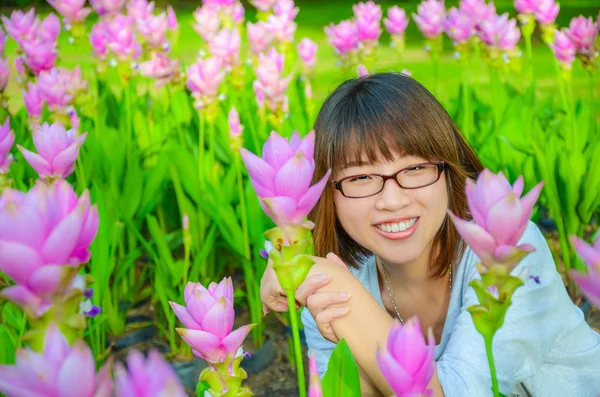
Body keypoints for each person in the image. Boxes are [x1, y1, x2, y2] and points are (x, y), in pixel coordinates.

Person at [259, 73, 600, 397]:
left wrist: (338, 292)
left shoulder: (506, 249)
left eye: (416, 168)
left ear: (449, 171)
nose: (392, 201)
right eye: (360, 178)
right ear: (328, 193)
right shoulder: (333, 287)